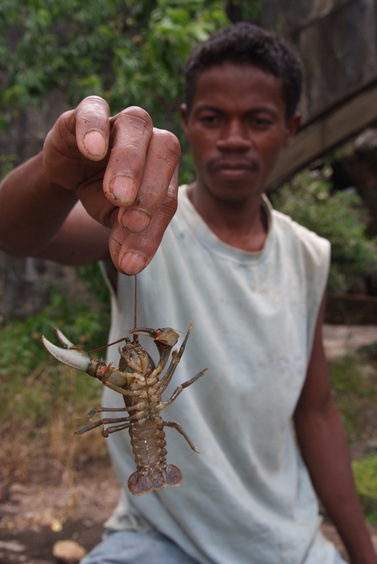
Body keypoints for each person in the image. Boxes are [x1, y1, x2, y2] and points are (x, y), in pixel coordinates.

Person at [0, 22, 375, 564]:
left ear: (292, 128)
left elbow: (316, 411)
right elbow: (17, 233)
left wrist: (363, 552)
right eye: (212, 117)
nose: (233, 137)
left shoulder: (309, 254)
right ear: (185, 122)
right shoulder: (138, 220)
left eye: (259, 120)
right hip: (157, 537)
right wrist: (56, 173)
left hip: (284, 541)